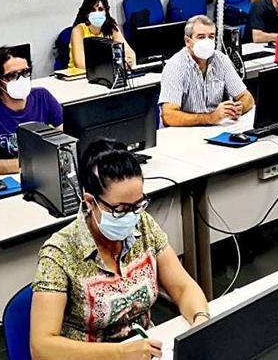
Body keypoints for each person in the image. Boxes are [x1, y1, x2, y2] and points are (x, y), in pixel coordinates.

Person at [30, 140, 209, 359]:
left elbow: (183, 287)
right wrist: (120, 353)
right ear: (90, 202)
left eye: (138, 205)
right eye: (120, 209)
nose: (132, 216)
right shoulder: (59, 254)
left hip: (145, 352)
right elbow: (41, 346)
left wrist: (200, 322)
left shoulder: (142, 224)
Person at [0, 47, 62, 177]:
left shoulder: (42, 96)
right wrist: (26, 164)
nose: (21, 79)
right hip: (5, 180)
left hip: (42, 175)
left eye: (26, 72)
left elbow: (66, 141)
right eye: (12, 76)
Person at [159, 15, 254, 127]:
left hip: (216, 127)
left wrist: (239, 108)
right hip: (186, 132)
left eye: (211, 36)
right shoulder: (176, 66)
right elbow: (169, 116)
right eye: (201, 37)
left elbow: (247, 98)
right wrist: (210, 118)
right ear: (188, 41)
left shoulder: (221, 59)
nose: (207, 42)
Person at [68, 0, 136, 70]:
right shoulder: (78, 30)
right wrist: (109, 68)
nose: (97, 13)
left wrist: (129, 60)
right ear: (87, 13)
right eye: (93, 10)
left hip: (107, 73)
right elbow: (80, 63)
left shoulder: (112, 28)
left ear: (105, 12)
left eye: (100, 9)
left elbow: (129, 52)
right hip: (79, 75)